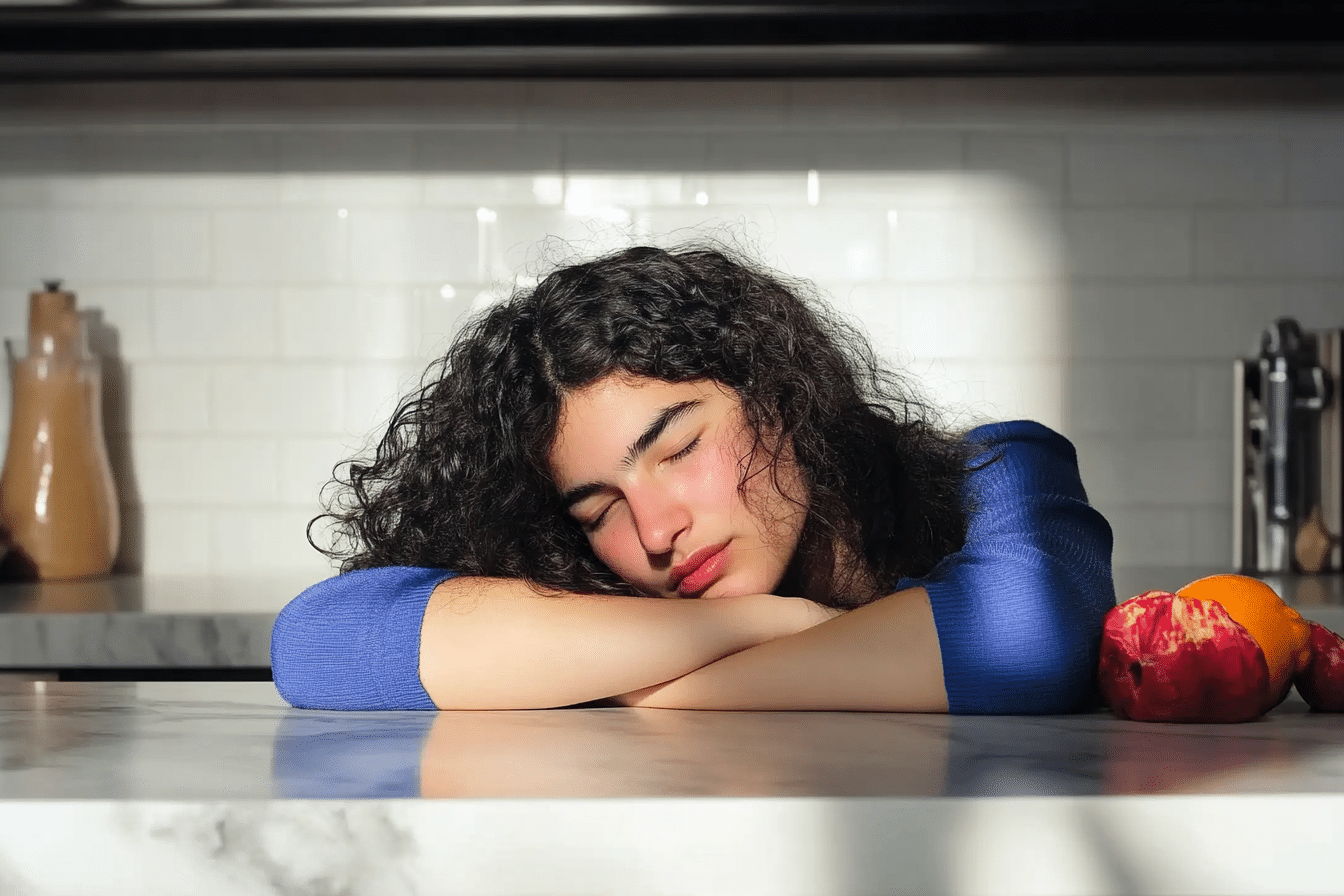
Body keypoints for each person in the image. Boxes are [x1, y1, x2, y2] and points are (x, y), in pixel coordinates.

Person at [271, 244, 1114, 713]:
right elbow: (316, 642)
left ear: (779, 396)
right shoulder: (604, 582)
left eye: (676, 450)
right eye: (599, 508)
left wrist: (641, 689)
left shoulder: (999, 470)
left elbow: (1027, 645)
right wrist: (761, 620)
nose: (654, 532)